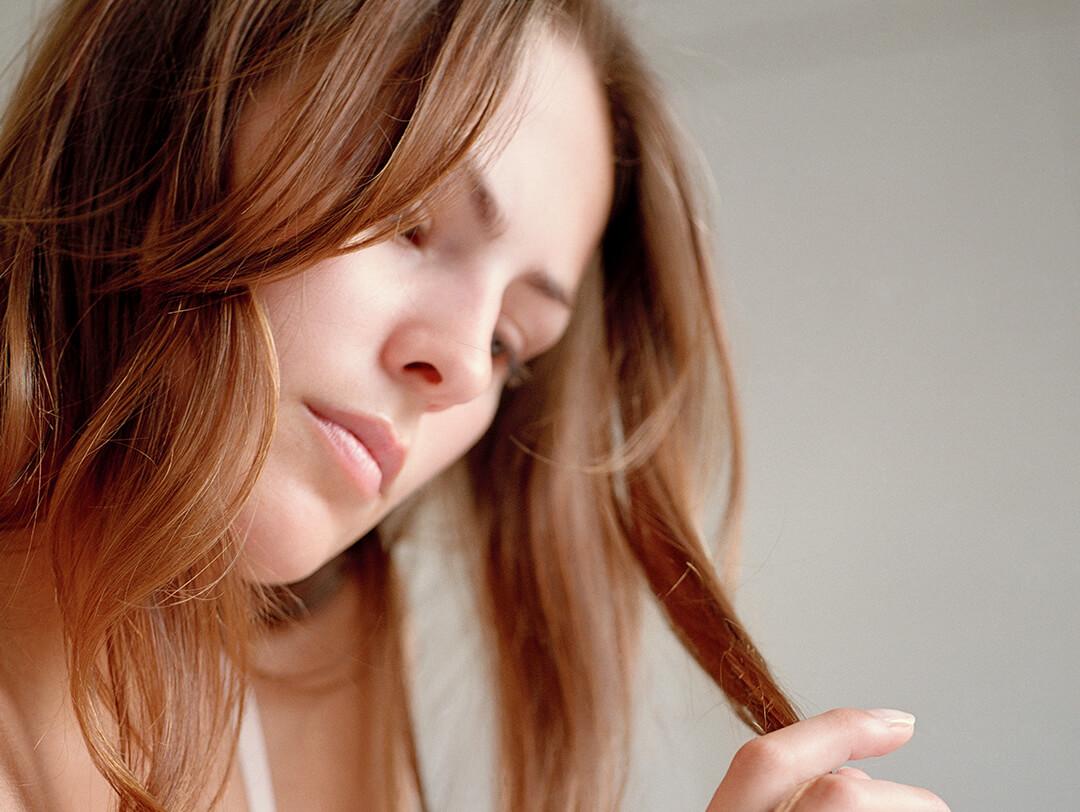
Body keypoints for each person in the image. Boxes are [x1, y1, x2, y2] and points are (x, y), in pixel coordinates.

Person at [0, 1, 950, 810]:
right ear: (156, 116)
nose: (461, 366)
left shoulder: (319, 658)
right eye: (409, 214)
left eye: (510, 344)